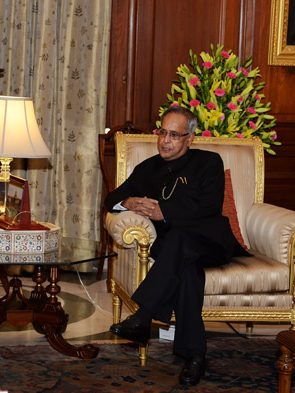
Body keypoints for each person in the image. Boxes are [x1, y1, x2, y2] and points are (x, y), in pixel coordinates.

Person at [105, 106, 249, 386]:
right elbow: (112, 197)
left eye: (173, 135)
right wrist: (130, 203)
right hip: (174, 251)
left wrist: (165, 212)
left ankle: (143, 316)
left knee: (181, 240)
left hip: (210, 242)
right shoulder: (147, 168)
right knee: (188, 273)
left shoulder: (209, 162)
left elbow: (209, 205)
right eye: (162, 132)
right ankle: (194, 357)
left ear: (190, 138)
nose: (165, 140)